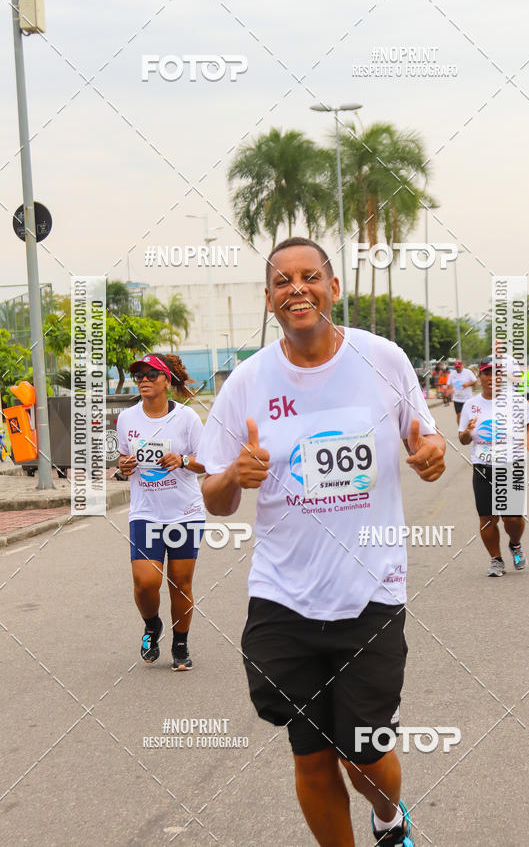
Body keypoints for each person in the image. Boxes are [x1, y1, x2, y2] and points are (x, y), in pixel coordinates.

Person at [200, 237, 446, 847]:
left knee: (363, 754)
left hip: (371, 592)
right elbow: (214, 496)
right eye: (283, 281)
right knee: (310, 755)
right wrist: (235, 476)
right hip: (282, 598)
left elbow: (426, 439)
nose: (297, 289)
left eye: (310, 276)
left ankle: (389, 815)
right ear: (269, 299)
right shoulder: (247, 383)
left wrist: (431, 454)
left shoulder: (382, 360)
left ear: (333, 288)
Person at [117, 353, 206, 671]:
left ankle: (180, 643)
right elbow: (124, 461)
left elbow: (207, 462)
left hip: (185, 511)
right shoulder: (127, 419)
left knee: (180, 583)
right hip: (146, 512)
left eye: (150, 374)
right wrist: (123, 465)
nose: (143, 380)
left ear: (167, 380)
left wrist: (182, 459)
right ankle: (152, 625)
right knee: (145, 582)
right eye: (138, 375)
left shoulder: (186, 419)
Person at [459, 356, 529, 576]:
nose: (492, 377)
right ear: (480, 376)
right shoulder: (470, 405)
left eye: (497, 373)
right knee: (487, 518)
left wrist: (528, 439)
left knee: (512, 518)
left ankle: (515, 544)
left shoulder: (516, 401)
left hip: (511, 464)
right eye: (486, 373)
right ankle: (496, 559)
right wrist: (466, 433)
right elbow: (463, 439)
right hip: (483, 466)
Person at [448, 359, 477, 424]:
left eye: (459, 366)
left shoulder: (468, 372)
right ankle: (461, 430)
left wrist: (468, 384)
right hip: (457, 399)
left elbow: (475, 381)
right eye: (456, 367)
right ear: (455, 367)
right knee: (459, 416)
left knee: (468, 416)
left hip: (467, 398)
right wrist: (450, 391)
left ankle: (469, 429)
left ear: (462, 365)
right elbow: (449, 384)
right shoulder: (452, 374)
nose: (458, 368)